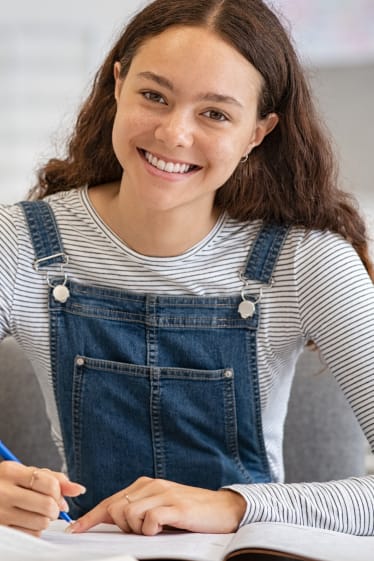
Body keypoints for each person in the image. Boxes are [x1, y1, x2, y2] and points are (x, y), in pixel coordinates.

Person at [0, 0, 373, 540]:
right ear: (118, 85)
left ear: (258, 132)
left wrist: (231, 508)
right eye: (154, 96)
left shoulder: (308, 261)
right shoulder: (18, 244)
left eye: (215, 113)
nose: (174, 134)